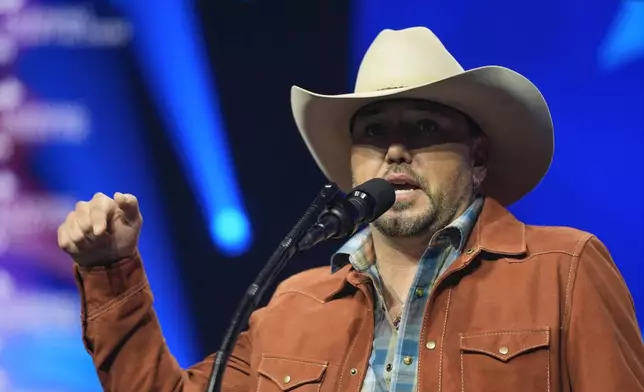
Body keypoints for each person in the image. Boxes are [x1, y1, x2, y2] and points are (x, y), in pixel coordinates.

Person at [58, 27, 644, 392]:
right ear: (354, 166)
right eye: (374, 133)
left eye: (424, 126)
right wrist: (111, 270)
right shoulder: (294, 305)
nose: (395, 149)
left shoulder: (564, 268)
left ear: (479, 157)